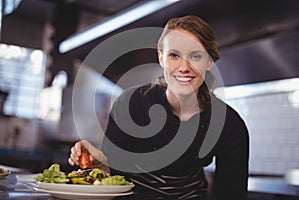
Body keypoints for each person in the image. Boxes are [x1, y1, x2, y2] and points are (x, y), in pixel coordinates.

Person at [68, 15, 249, 200]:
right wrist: (100, 164)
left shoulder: (229, 124)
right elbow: (113, 176)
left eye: (195, 56)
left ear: (209, 61)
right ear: (161, 57)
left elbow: (231, 193)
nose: (184, 67)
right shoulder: (131, 104)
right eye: (174, 55)